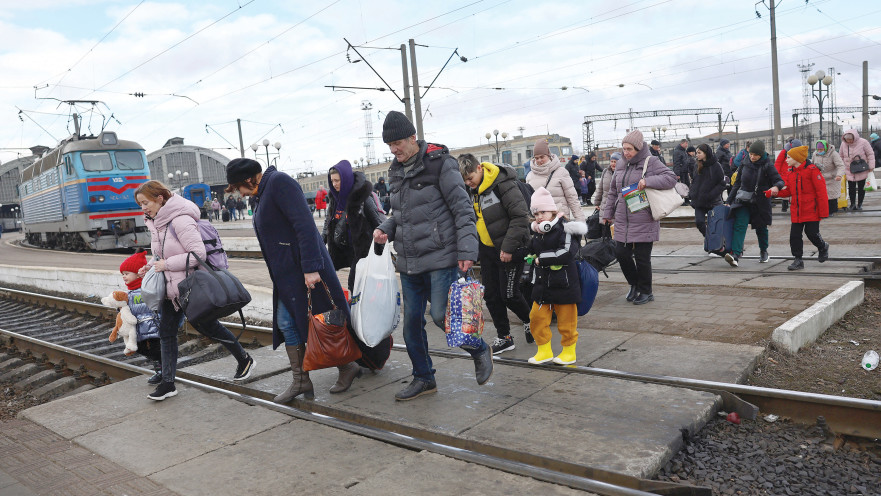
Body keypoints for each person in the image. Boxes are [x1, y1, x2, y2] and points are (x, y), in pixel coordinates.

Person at [372, 110, 492, 401]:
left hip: (440, 256)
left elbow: (463, 210)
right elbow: (401, 214)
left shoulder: (441, 164)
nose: (394, 149)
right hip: (409, 261)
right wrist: (386, 227)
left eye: (398, 143)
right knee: (411, 326)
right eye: (390, 145)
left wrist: (467, 251)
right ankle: (424, 378)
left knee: (442, 316)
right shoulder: (395, 171)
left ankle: (479, 348)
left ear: (413, 138)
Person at [225, 158, 359, 402]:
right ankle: (302, 380)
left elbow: (305, 225)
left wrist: (311, 267)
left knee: (320, 320)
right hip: (287, 273)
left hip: (304, 269)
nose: (239, 194)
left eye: (238, 187)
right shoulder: (262, 193)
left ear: (249, 179)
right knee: (292, 322)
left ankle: (344, 366)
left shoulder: (279, 183)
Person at [135, 180, 254, 401]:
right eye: (140, 204)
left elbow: (198, 254)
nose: (143, 208)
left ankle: (244, 359)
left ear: (160, 198)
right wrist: (150, 265)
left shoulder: (180, 220)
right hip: (170, 289)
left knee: (209, 327)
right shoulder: (156, 222)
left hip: (190, 288)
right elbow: (161, 254)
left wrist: (166, 265)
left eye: (145, 203)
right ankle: (168, 383)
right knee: (167, 333)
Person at [457, 154, 531, 354]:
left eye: (470, 178)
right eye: (464, 180)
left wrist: (508, 248)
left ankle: (531, 320)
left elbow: (520, 217)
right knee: (491, 296)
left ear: (479, 168)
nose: (468, 183)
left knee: (509, 295)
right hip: (487, 250)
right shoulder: (470, 191)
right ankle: (504, 337)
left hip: (509, 248)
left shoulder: (503, 184)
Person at [601, 130, 677, 305]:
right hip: (623, 218)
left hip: (644, 217)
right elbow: (613, 191)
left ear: (639, 148)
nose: (626, 152)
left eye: (629, 149)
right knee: (621, 254)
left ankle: (646, 291)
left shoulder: (651, 162)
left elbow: (671, 178)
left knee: (642, 258)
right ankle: (634, 284)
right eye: (624, 148)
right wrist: (607, 214)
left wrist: (648, 181)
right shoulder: (621, 164)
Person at [525, 187, 585, 365]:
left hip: (564, 285)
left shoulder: (566, 229)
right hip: (543, 286)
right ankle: (544, 351)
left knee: (567, 323)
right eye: (536, 214)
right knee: (536, 318)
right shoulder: (538, 233)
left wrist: (540, 260)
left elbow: (566, 253)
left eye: (542, 212)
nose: (539, 217)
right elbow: (530, 250)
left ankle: (569, 352)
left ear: (552, 211)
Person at [323, 160, 386, 291]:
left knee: (355, 283)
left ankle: (360, 303)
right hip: (343, 248)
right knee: (334, 280)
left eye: (337, 180)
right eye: (332, 181)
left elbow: (378, 223)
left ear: (346, 179)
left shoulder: (362, 196)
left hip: (362, 248)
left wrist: (380, 250)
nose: (334, 184)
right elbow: (328, 222)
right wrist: (320, 242)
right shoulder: (335, 198)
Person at [724, 141, 784, 267]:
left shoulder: (768, 165)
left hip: (760, 202)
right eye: (751, 154)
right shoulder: (744, 162)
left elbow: (779, 180)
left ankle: (763, 251)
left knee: (761, 228)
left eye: (755, 155)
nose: (752, 157)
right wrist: (729, 201)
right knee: (740, 225)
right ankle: (735, 254)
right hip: (743, 200)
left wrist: (776, 187)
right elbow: (737, 183)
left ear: (761, 154)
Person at [774, 145, 829, 270]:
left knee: (812, 233)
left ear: (797, 158)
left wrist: (823, 212)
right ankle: (798, 259)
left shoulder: (812, 170)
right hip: (797, 210)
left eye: (789, 157)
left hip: (811, 210)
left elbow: (821, 192)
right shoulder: (791, 172)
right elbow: (789, 191)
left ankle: (822, 246)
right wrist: (774, 193)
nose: (786, 160)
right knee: (794, 236)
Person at [118, 250, 162, 384]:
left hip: (153, 326)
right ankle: (161, 366)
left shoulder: (147, 288)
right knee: (140, 348)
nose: (124, 276)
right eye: (122, 274)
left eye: (127, 273)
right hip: (140, 328)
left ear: (138, 273)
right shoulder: (130, 292)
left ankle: (161, 371)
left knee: (155, 349)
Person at [525, 139, 585, 223]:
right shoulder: (530, 176)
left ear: (548, 155)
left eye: (542, 157)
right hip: (539, 223)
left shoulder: (561, 172)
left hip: (559, 221)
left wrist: (581, 222)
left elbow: (572, 198)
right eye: (536, 158)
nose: (539, 160)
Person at [689, 144, 726, 239]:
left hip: (712, 201)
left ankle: (717, 242)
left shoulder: (716, 165)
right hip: (699, 201)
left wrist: (711, 194)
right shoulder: (697, 165)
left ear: (706, 153)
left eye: (699, 153)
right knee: (699, 222)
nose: (696, 155)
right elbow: (695, 181)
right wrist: (692, 193)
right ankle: (709, 239)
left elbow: (722, 183)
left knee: (715, 224)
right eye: (696, 153)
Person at [840, 129, 876, 211]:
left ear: (854, 137)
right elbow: (841, 156)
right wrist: (842, 166)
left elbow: (870, 154)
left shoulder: (863, 142)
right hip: (849, 169)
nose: (849, 141)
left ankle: (860, 204)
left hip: (861, 168)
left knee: (861, 187)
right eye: (847, 140)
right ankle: (852, 204)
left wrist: (871, 166)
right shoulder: (843, 144)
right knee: (851, 188)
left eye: (850, 139)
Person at [812, 140, 845, 216]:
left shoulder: (833, 154)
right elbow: (812, 165)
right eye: (818, 149)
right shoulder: (815, 154)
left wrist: (839, 175)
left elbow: (840, 165)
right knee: (821, 196)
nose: (819, 151)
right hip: (820, 178)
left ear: (826, 148)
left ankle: (832, 211)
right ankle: (823, 211)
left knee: (832, 196)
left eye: (821, 149)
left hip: (832, 178)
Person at [773, 138, 801, 213]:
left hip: (792, 172)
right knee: (785, 189)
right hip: (784, 173)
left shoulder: (795, 152)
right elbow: (778, 163)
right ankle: (784, 206)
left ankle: (793, 206)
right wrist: (776, 174)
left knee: (793, 189)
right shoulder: (784, 151)